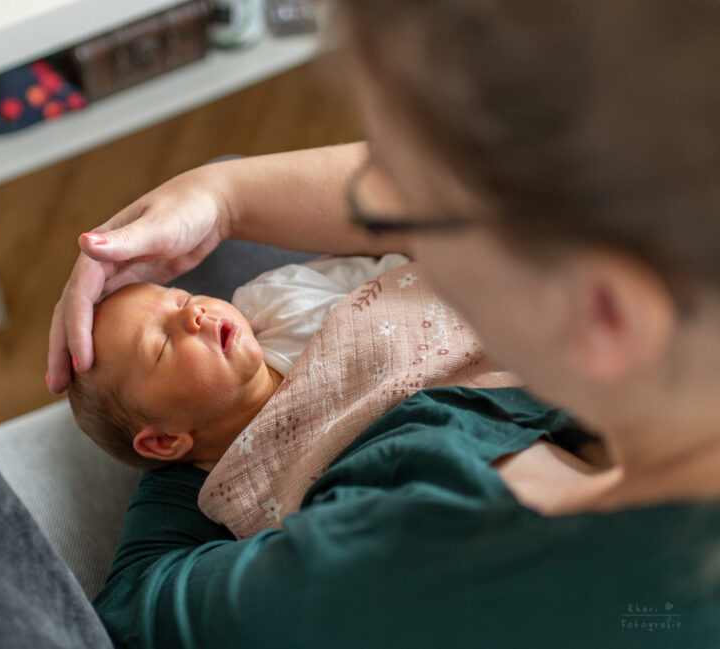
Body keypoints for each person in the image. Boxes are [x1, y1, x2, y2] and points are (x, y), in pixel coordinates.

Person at [47, 1, 720, 647]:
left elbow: (137, 603)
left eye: (403, 195)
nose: (376, 228)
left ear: (603, 310)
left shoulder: (409, 545)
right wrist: (221, 196)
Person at [68, 254, 408, 471]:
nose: (193, 314)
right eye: (162, 345)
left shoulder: (276, 299)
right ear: (165, 441)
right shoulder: (252, 486)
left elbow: (398, 270)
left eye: (181, 298)